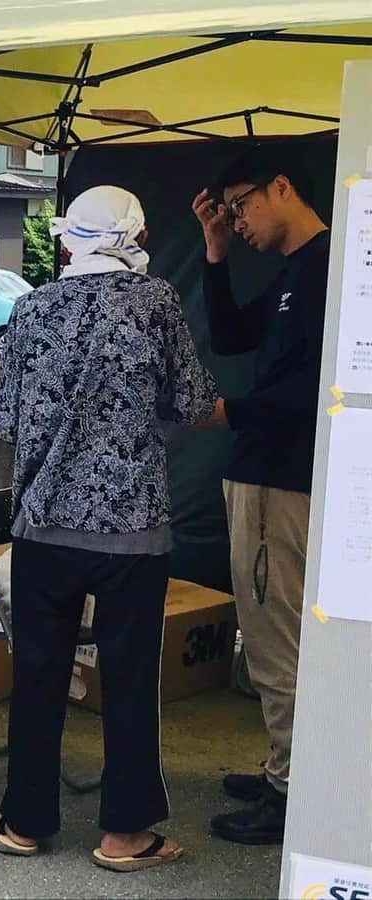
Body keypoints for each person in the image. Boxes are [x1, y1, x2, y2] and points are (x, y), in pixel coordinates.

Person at [0, 186, 218, 871]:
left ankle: (24, 822)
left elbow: (5, 418)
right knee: (126, 681)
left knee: (37, 675)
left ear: (70, 239)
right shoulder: (155, 304)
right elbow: (191, 403)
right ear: (134, 235)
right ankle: (124, 834)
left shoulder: (29, 310)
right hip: (130, 532)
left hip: (42, 528)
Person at [191, 148, 329, 845]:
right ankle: (284, 765)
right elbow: (230, 337)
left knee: (278, 636)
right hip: (265, 473)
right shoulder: (290, 274)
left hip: (283, 479)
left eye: (240, 204)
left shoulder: (331, 271)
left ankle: (289, 790)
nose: (236, 219)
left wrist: (230, 414)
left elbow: (314, 392)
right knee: (269, 626)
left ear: (284, 185)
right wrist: (214, 256)